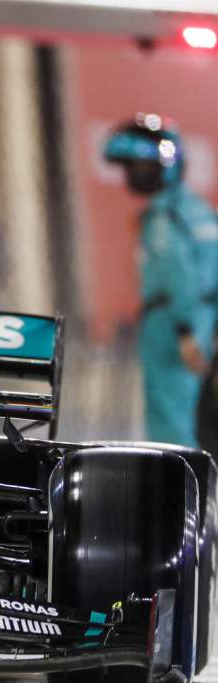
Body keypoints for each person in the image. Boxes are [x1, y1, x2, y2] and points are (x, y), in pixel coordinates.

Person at [104, 113, 218, 448]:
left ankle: (178, 495)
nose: (131, 174)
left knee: (171, 425)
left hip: (171, 324)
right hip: (202, 321)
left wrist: (184, 330)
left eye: (139, 166)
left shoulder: (163, 217)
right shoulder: (197, 211)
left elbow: (177, 272)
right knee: (198, 417)